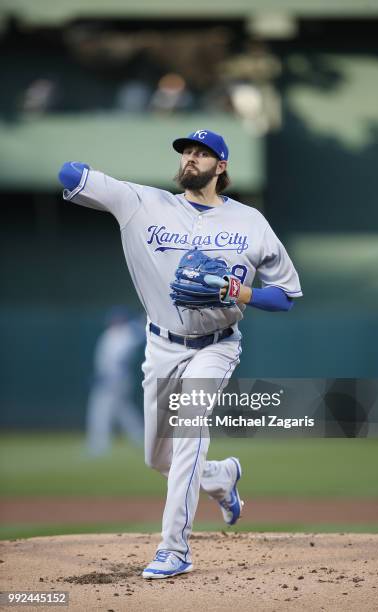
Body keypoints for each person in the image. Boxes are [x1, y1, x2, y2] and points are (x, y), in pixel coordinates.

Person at [58, 129, 302, 579]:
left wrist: (236, 289)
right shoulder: (142, 203)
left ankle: (175, 549)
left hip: (217, 346)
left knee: (190, 434)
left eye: (202, 153)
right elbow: (69, 175)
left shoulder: (250, 222)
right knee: (158, 458)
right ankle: (221, 477)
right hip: (161, 346)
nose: (190, 158)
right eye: (187, 152)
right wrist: (94, 176)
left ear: (221, 166)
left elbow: (286, 296)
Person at [86, 307, 145, 457]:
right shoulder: (113, 334)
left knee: (101, 410)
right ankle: (141, 437)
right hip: (108, 377)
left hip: (115, 378)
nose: (113, 321)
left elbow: (121, 358)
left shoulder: (125, 333)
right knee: (123, 410)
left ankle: (99, 445)